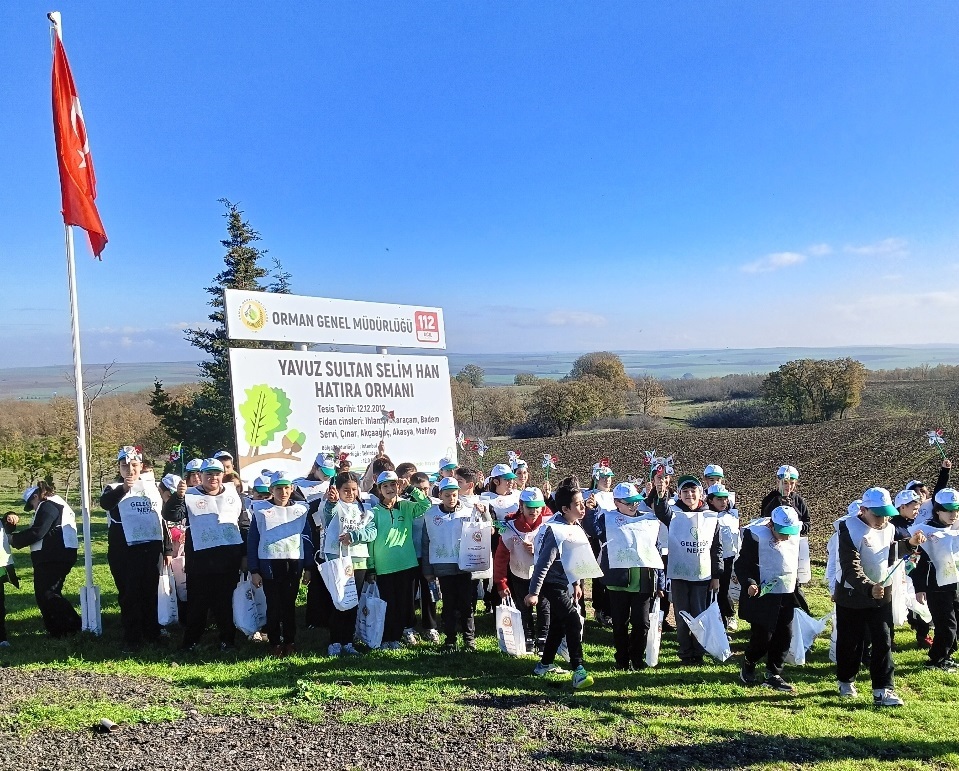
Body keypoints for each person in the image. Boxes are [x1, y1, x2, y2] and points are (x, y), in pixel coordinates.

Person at [834, 487, 925, 706]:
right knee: (851, 642)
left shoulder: (889, 528)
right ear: (864, 510)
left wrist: (909, 545)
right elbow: (850, 566)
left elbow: (887, 553)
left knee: (883, 640)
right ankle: (846, 680)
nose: (883, 519)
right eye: (878, 514)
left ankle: (883, 690)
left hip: (882, 594)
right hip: (852, 595)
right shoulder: (848, 529)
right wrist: (868, 587)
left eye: (886, 514)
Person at [162, 458, 249, 652]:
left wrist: (244, 555)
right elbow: (171, 515)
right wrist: (178, 496)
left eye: (217, 474)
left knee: (225, 603)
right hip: (200, 560)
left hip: (228, 558)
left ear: (223, 475)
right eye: (208, 474)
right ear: (200, 476)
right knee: (197, 603)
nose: (213, 478)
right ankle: (191, 642)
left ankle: (227, 641)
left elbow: (244, 525)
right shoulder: (189, 494)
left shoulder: (233, 494)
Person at [100, 446, 172, 651]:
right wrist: (124, 488)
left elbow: (161, 518)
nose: (130, 469)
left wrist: (167, 548)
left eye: (133, 465)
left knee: (149, 591)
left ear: (141, 466)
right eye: (124, 466)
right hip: (124, 550)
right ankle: (132, 637)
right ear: (119, 468)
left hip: (150, 547)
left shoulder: (153, 487)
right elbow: (106, 503)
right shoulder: (113, 487)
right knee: (129, 593)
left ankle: (152, 632)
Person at [526, 485, 596, 689]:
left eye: (583, 503)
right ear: (565, 509)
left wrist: (576, 583)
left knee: (558, 624)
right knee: (573, 620)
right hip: (551, 584)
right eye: (578, 504)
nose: (583, 507)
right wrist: (533, 593)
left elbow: (572, 557)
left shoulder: (572, 524)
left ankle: (544, 664)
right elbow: (543, 563)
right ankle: (578, 669)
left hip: (564, 582)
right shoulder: (556, 531)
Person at [592, 482, 664, 671]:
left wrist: (660, 582)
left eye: (636, 502)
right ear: (616, 502)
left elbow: (656, 550)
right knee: (619, 624)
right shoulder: (607, 519)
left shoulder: (648, 520)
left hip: (643, 581)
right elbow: (594, 531)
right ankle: (622, 659)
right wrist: (591, 511)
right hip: (618, 582)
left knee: (642, 623)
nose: (633, 506)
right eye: (628, 502)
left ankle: (637, 657)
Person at [736, 506, 808, 693]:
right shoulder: (755, 537)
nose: (786, 536)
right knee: (763, 637)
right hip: (762, 595)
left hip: (786, 593)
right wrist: (750, 583)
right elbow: (742, 564)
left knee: (785, 635)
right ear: (770, 525)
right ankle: (749, 662)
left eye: (790, 532)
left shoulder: (792, 536)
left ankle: (774, 673)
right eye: (782, 532)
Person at [653, 475, 722, 664]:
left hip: (702, 575)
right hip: (679, 574)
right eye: (685, 491)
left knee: (699, 613)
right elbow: (661, 511)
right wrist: (660, 493)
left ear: (701, 493)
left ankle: (698, 651)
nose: (689, 494)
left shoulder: (710, 516)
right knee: (681, 614)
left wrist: (716, 575)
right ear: (679, 494)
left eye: (693, 491)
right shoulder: (674, 514)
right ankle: (685, 651)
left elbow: (717, 548)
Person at [248, 472, 313, 657]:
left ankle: (290, 641)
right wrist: (254, 569)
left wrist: (308, 567)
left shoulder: (301, 510)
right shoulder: (260, 510)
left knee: (289, 605)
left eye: (286, 488)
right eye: (278, 488)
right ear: (271, 490)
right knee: (274, 605)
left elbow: (307, 539)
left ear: (292, 489)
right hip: (269, 564)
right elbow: (253, 541)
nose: (283, 492)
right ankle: (275, 642)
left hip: (293, 563)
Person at [8, 483, 81, 638]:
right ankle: (59, 630)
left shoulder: (48, 505)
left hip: (54, 555)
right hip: (56, 554)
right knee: (45, 593)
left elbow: (38, 532)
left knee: (48, 593)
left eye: (32, 504)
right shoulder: (55, 503)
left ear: (36, 496)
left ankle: (71, 626)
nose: (33, 508)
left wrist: (13, 539)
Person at [368, 470, 431, 649]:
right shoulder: (373, 512)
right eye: (385, 486)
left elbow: (426, 504)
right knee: (387, 604)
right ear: (379, 489)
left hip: (407, 564)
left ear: (398, 486)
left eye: (393, 484)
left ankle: (395, 637)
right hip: (384, 566)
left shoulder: (406, 506)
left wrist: (410, 488)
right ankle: (385, 638)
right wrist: (371, 567)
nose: (389, 489)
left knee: (404, 603)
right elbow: (370, 541)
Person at [422, 477, 486, 652]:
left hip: (464, 565)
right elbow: (426, 542)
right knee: (448, 604)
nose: (451, 499)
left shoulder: (468, 511)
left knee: (466, 604)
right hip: (443, 567)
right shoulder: (431, 515)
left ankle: (469, 639)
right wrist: (427, 569)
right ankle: (450, 639)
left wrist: (484, 514)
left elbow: (485, 530)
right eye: (447, 495)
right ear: (440, 495)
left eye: (454, 495)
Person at [320, 472, 376, 655]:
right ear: (337, 490)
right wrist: (332, 502)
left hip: (358, 560)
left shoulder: (365, 508)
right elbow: (328, 515)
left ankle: (348, 641)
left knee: (353, 602)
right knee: (338, 601)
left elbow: (371, 532)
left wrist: (354, 536)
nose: (350, 493)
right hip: (337, 559)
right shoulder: (333, 505)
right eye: (346, 490)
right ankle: (335, 641)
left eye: (353, 489)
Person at [495, 487, 551, 651]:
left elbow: (556, 551)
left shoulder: (549, 524)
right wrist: (501, 582)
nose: (534, 511)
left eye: (537, 507)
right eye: (529, 507)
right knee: (523, 606)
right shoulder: (511, 527)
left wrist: (537, 550)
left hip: (542, 575)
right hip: (519, 573)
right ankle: (527, 637)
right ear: (521, 506)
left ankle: (543, 638)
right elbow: (500, 557)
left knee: (543, 606)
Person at [910, 488, 959, 670]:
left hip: (953, 583)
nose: (953, 515)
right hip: (935, 586)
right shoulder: (924, 531)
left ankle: (947, 654)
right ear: (937, 510)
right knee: (946, 624)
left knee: (955, 621)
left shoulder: (954, 527)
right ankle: (936, 659)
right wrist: (919, 587)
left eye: (956, 510)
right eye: (949, 510)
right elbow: (916, 563)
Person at [890, 488, 932, 649]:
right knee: (893, 603)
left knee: (921, 602)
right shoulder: (892, 526)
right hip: (898, 571)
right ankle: (889, 639)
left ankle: (923, 635)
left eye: (918, 508)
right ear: (902, 507)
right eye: (914, 508)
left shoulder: (918, 523)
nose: (917, 512)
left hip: (918, 570)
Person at [707, 483, 741, 630]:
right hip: (711, 560)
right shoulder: (707, 516)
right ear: (710, 500)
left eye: (725, 499)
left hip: (728, 559)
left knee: (723, 590)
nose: (723, 502)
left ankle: (725, 619)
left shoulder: (731, 516)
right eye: (719, 499)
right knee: (714, 592)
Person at [759, 465, 811, 535]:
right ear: (778, 482)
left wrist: (797, 527)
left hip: (794, 539)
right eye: (785, 483)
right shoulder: (769, 500)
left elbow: (807, 523)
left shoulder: (799, 501)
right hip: (774, 539)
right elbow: (764, 521)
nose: (789, 486)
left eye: (792, 483)